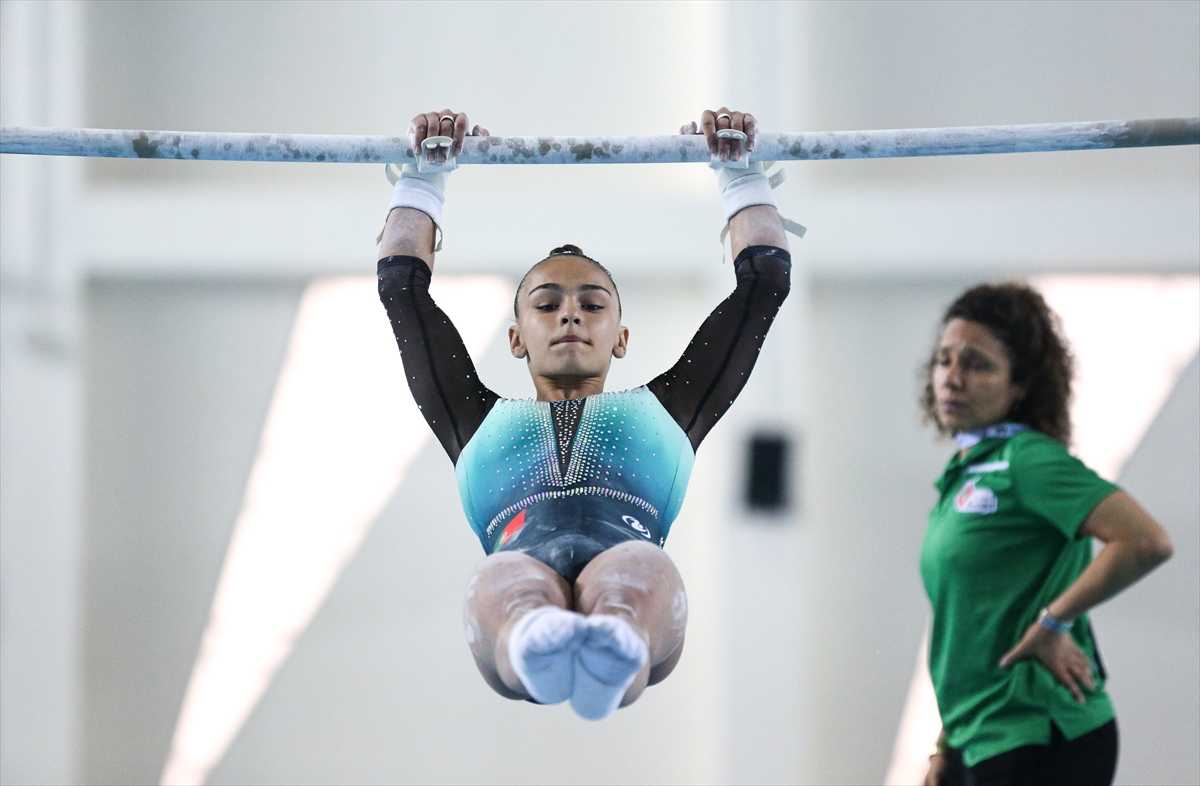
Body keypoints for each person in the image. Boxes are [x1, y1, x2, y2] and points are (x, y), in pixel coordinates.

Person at [376, 107, 793, 720]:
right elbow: (401, 290)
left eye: (591, 304)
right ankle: (549, 639)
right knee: (511, 579)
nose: (570, 315)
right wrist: (422, 179)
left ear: (621, 337)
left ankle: (609, 645)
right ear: (515, 337)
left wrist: (739, 176)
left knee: (631, 567)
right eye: (547, 304)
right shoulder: (470, 419)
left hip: (639, 595)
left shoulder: (668, 410)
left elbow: (763, 283)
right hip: (509, 611)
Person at [920, 283, 1174, 786]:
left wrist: (1055, 622)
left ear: (1020, 386)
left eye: (976, 364)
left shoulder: (1028, 460)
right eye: (945, 359)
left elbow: (1145, 541)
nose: (952, 377)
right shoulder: (965, 471)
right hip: (977, 735)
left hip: (1042, 732)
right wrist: (945, 742)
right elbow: (967, 623)